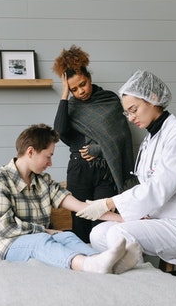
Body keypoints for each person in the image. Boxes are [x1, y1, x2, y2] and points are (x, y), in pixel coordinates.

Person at [76, 70, 176, 267]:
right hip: (158, 220)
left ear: (153, 98)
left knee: (118, 233)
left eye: (134, 109)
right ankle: (122, 280)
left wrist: (108, 203)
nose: (131, 118)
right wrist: (110, 211)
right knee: (98, 233)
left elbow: (159, 188)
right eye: (127, 113)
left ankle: (141, 287)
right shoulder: (149, 141)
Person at [0, 124, 141, 274]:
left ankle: (110, 262)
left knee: (67, 237)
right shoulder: (0, 179)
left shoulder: (43, 181)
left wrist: (125, 218)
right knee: (41, 240)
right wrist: (45, 230)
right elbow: (6, 229)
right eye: (48, 156)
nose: (50, 163)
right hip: (0, 245)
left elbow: (83, 208)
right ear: (31, 151)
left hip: (38, 237)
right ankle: (87, 264)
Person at [52, 45, 134, 243]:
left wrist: (98, 150)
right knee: (80, 223)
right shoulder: (71, 106)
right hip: (79, 170)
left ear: (89, 78)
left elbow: (120, 138)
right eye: (74, 89)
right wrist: (64, 95)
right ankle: (82, 268)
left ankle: (102, 268)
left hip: (105, 172)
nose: (80, 91)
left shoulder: (109, 100)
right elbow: (60, 130)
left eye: (83, 84)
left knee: (103, 225)